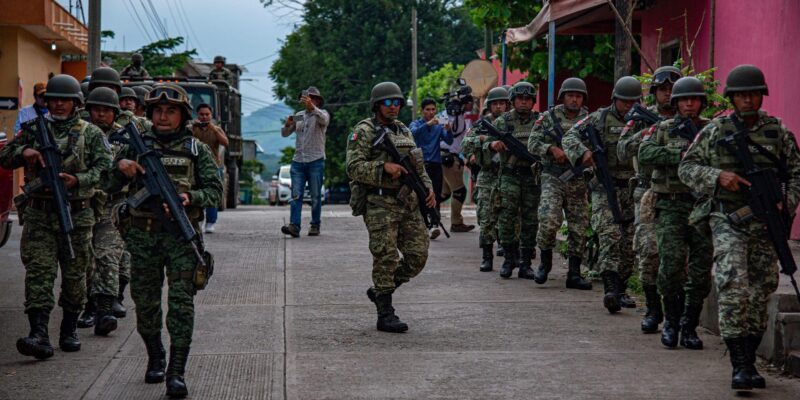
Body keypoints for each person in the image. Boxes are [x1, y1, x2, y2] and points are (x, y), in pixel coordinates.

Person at [679, 65, 800, 391]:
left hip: (765, 224)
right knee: (732, 282)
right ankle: (740, 364)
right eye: (742, 94)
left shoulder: (778, 131)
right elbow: (686, 168)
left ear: (761, 96)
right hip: (727, 220)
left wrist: (783, 204)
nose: (748, 99)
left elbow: (796, 173)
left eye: (754, 93)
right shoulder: (715, 131)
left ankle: (749, 352)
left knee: (761, 288)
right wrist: (718, 176)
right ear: (732, 98)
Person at [107, 83, 222, 398]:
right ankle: (155, 355)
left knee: (181, 305)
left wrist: (189, 196)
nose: (163, 116)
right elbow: (106, 181)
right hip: (142, 237)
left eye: (170, 111)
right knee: (145, 303)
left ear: (182, 115)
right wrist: (121, 166)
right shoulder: (134, 145)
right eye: (157, 110)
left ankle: (177, 371)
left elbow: (216, 192)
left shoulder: (196, 149)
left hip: (181, 238)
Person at [0, 74, 111, 359]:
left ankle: (69, 329)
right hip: (40, 214)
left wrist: (79, 179)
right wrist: (25, 151)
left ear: (76, 103)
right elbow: (7, 155)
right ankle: (38, 333)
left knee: (75, 276)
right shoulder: (33, 128)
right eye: (54, 100)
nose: (59, 105)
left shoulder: (91, 133)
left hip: (77, 214)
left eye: (65, 100)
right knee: (39, 274)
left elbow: (105, 170)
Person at [346, 81, 435, 333]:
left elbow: (418, 166)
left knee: (418, 256)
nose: (394, 106)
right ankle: (385, 312)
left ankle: (379, 290)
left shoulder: (404, 129)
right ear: (376, 105)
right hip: (379, 202)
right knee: (385, 256)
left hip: (408, 202)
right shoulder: (363, 131)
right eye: (388, 102)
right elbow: (352, 167)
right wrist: (383, 168)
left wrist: (428, 190)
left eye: (397, 102)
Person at [639, 76, 713, 349]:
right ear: (676, 103)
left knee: (701, 270)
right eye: (684, 99)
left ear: (702, 102)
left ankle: (689, 325)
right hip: (670, 205)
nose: (689, 104)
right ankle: (670, 321)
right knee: (670, 267)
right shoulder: (662, 129)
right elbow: (644, 154)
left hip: (703, 206)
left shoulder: (711, 130)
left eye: (694, 99)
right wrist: (678, 155)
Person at [562, 76, 645, 313]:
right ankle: (610, 290)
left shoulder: (642, 120)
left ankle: (621, 289)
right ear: (615, 99)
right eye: (624, 102)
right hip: (603, 187)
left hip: (631, 187)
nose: (629, 106)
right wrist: (583, 152)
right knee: (609, 236)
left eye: (633, 102)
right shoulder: (598, 118)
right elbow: (570, 137)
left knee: (629, 245)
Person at [617, 65, 681, 329]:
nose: (667, 95)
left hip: (682, 193)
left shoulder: (688, 118)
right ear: (654, 92)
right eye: (662, 90)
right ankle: (654, 310)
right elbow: (622, 150)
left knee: (680, 259)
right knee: (648, 252)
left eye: (671, 90)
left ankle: (679, 316)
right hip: (648, 194)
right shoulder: (642, 119)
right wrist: (645, 135)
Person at [527, 77, 593, 290]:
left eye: (578, 96)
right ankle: (545, 264)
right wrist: (551, 149)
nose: (574, 99)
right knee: (548, 220)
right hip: (552, 176)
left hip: (578, 178)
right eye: (570, 95)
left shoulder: (589, 119)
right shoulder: (548, 117)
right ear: (562, 97)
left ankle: (574, 273)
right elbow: (532, 143)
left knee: (579, 228)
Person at [82, 87, 128, 336]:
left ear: (115, 113)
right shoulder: (79, 134)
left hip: (112, 206)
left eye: (106, 110)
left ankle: (105, 310)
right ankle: (87, 307)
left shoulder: (124, 138)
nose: (100, 115)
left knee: (108, 256)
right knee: (84, 260)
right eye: (96, 109)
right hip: (82, 205)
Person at [484, 81, 540, 279]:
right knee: (506, 219)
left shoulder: (540, 121)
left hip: (532, 177)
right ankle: (509, 259)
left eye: (527, 99)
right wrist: (493, 145)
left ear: (533, 101)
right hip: (509, 176)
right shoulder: (503, 121)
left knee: (530, 220)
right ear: (513, 101)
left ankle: (526, 263)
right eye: (520, 99)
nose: (524, 102)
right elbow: (484, 141)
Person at [462, 86, 509, 271]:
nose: (499, 107)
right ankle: (487, 256)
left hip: (509, 174)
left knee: (510, 217)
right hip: (488, 173)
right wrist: (484, 141)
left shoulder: (513, 123)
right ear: (489, 106)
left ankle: (511, 253)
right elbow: (465, 144)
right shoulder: (482, 125)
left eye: (502, 103)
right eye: (495, 103)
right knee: (486, 216)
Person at [280, 87, 329, 237]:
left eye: (312, 98)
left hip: (315, 160)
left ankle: (315, 224)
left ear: (317, 101)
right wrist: (288, 124)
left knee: (315, 196)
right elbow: (284, 134)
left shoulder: (322, 114)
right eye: (306, 98)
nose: (308, 100)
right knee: (296, 195)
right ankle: (294, 226)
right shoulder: (299, 116)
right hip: (298, 161)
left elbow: (324, 120)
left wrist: (312, 108)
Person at [409, 98, 453, 239]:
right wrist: (428, 124)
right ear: (422, 111)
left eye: (433, 109)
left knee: (437, 196)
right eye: (428, 110)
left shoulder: (438, 126)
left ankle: (434, 224)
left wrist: (449, 130)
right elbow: (412, 135)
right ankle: (425, 224)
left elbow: (449, 141)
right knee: (422, 196)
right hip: (420, 166)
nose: (431, 112)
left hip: (435, 165)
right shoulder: (416, 124)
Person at [189, 103, 229, 233]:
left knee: (213, 194)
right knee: (196, 194)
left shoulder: (216, 129)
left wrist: (214, 129)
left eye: (207, 115)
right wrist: (192, 126)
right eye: (202, 114)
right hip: (195, 166)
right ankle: (198, 219)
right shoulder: (193, 128)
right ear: (197, 115)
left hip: (213, 167)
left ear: (211, 116)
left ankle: (211, 222)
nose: (204, 117)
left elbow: (225, 143)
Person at [440, 95, 475, 233]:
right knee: (459, 191)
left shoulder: (445, 115)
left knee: (445, 193)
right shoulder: (452, 117)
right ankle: (456, 223)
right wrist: (454, 112)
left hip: (446, 156)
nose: (471, 105)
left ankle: (427, 214)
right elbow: (451, 132)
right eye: (470, 102)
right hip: (449, 158)